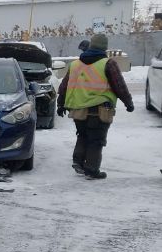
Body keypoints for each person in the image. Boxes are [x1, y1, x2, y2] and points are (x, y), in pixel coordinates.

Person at [56, 33, 134, 179]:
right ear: (105, 47)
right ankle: (91, 170)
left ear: (91, 45)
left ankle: (78, 162)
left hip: (78, 109)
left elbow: (64, 86)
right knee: (96, 140)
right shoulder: (108, 64)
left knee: (82, 134)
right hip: (100, 109)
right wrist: (128, 102)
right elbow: (119, 85)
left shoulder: (75, 64)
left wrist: (60, 104)